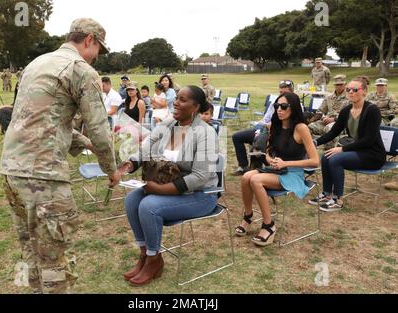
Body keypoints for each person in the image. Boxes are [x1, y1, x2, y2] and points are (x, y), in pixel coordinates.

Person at [0, 18, 121, 294]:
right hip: (44, 178)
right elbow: (100, 128)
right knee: (56, 260)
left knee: (32, 250)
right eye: (98, 50)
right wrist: (111, 168)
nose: (96, 57)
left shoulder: (37, 64)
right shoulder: (81, 69)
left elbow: (41, 121)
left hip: (12, 172)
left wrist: (85, 144)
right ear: (89, 39)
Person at [118, 85, 219, 286]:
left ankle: (154, 260)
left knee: (148, 206)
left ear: (195, 107)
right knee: (131, 200)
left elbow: (200, 177)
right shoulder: (169, 123)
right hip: (170, 186)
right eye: (177, 98)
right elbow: (146, 148)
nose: (176, 102)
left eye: (182, 99)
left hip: (201, 195)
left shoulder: (206, 133)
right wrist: (126, 167)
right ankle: (145, 254)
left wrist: (160, 190)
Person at [235, 92, 319, 246]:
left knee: (255, 179)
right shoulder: (275, 125)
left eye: (283, 106)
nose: (279, 109)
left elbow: (315, 161)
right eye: (276, 106)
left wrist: (285, 164)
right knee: (246, 176)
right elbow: (267, 151)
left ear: (292, 108)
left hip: (292, 173)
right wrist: (269, 159)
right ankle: (248, 216)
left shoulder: (301, 128)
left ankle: (269, 225)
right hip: (276, 170)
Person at [309, 76, 386, 212]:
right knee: (326, 156)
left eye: (355, 89)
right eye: (349, 89)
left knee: (335, 159)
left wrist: (342, 149)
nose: (351, 92)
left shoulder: (372, 110)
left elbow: (368, 140)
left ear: (364, 92)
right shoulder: (346, 111)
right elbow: (333, 133)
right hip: (357, 150)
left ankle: (338, 200)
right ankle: (327, 194)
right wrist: (315, 142)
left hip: (373, 154)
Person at [231, 80, 294, 175]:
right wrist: (260, 127)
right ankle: (243, 166)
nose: (282, 95)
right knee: (237, 136)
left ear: (291, 92)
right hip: (264, 129)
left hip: (279, 133)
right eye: (280, 92)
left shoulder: (295, 105)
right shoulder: (275, 102)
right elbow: (266, 119)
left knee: (258, 141)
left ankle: (257, 169)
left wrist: (272, 126)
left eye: (285, 93)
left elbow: (292, 124)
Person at [308, 74, 349, 149]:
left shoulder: (349, 97)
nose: (338, 86)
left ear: (345, 84)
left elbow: (350, 115)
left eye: (341, 84)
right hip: (326, 121)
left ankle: (328, 151)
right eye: (337, 85)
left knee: (329, 129)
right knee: (309, 127)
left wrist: (334, 119)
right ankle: (310, 148)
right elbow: (320, 111)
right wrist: (312, 120)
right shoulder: (329, 97)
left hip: (340, 123)